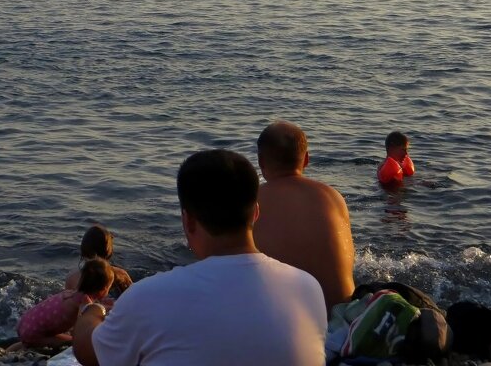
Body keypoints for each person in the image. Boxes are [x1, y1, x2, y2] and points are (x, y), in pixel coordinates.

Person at [71, 149, 326, 366]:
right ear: (255, 213)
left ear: (188, 220)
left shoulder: (149, 297)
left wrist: (93, 310)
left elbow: (86, 351)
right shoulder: (308, 288)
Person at [254, 121, 356, 311]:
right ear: (306, 159)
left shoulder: (253, 200)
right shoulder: (333, 197)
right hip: (344, 315)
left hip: (290, 323)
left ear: (260, 162)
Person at [18, 259, 114, 347]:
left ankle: (15, 348)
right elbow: (85, 325)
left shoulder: (74, 293)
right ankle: (28, 345)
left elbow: (97, 307)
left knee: (26, 342)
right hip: (33, 335)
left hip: (25, 323)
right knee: (71, 343)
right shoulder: (84, 302)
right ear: (104, 289)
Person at [65, 225, 133, 297]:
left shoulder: (73, 277)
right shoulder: (121, 275)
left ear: (83, 250)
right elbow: (133, 297)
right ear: (109, 252)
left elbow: (67, 304)